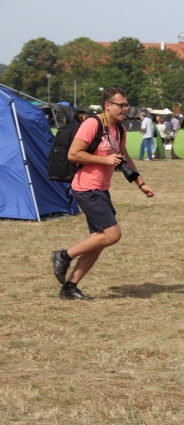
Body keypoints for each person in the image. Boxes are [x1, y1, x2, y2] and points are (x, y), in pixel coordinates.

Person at [51, 87, 154, 300]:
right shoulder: (93, 124)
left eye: (126, 105)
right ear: (108, 105)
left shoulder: (120, 129)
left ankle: (70, 287)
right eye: (121, 105)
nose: (125, 109)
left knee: (100, 240)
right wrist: (105, 160)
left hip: (101, 189)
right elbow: (73, 154)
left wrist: (140, 183)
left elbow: (125, 158)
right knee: (112, 235)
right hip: (86, 188)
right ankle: (64, 255)